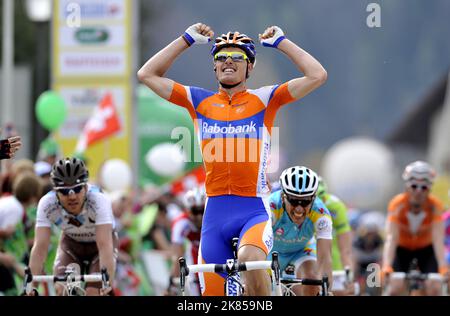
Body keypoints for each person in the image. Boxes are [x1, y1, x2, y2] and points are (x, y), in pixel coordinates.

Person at [138, 23, 327, 296]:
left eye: (237, 57)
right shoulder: (198, 100)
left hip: (252, 209)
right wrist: (186, 39)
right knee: (212, 297)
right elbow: (146, 74)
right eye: (221, 57)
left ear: (249, 67)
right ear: (214, 67)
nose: (228, 61)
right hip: (214, 212)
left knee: (250, 262)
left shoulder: (264, 99)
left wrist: (282, 42)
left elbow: (317, 75)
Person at [28, 157, 117, 296]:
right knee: (62, 289)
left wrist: (107, 283)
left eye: (77, 189)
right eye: (64, 191)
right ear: (55, 191)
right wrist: (31, 287)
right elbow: (40, 247)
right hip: (71, 244)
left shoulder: (99, 200)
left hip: (99, 248)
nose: (72, 196)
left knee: (93, 292)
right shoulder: (46, 204)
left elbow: (105, 245)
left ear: (86, 187)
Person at [382, 160, 448, 296]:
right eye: (414, 186)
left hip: (426, 249)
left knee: (434, 287)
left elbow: (437, 239)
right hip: (402, 249)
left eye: (423, 187)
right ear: (407, 186)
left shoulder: (435, 206)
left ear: (429, 188)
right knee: (395, 287)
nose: (418, 192)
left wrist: (443, 267)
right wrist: (387, 265)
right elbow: (391, 238)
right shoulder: (397, 204)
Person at [270, 166, 333, 296]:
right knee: (259, 287)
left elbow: (325, 258)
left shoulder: (321, 214)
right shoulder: (271, 206)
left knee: (313, 279)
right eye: (293, 200)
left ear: (313, 199)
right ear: (283, 197)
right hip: (271, 252)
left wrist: (326, 290)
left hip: (301, 251)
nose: (299, 209)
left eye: (305, 202)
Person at [316, 176, 355, 295]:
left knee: (341, 292)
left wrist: (349, 277)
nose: (319, 202)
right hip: (309, 252)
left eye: (322, 196)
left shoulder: (336, 206)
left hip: (333, 257)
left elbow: (346, 250)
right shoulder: (301, 206)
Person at [166, 186, 205, 296]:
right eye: (195, 211)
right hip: (195, 256)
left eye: (202, 210)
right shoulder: (180, 223)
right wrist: (171, 283)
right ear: (187, 211)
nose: (199, 216)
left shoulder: (215, 217)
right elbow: (178, 256)